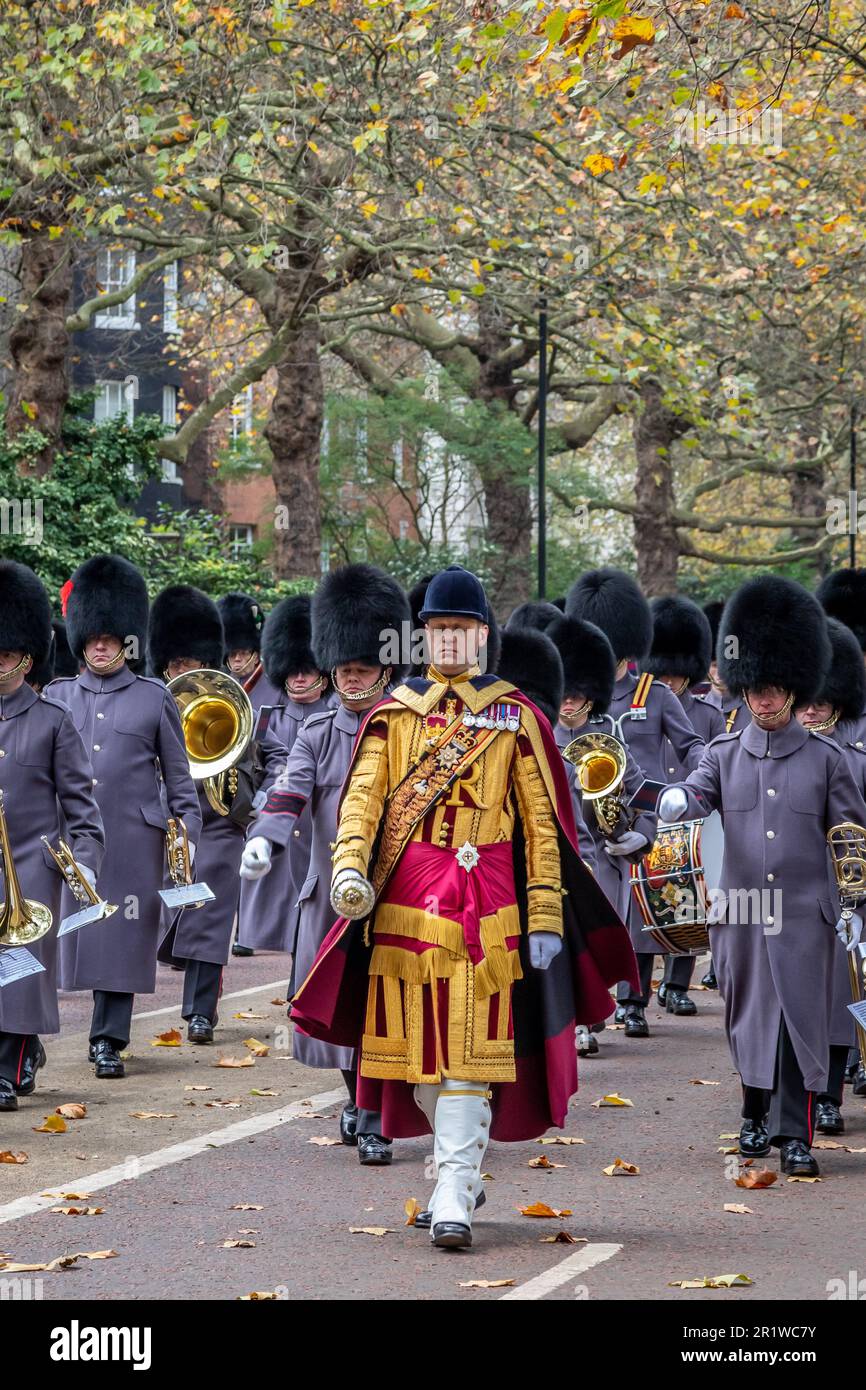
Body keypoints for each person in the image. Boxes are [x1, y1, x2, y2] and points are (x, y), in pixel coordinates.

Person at [291, 564, 637, 1248]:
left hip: (488, 911)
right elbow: (361, 801)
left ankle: (452, 1189)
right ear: (421, 638)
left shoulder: (516, 717)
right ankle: (460, 1169)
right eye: (438, 630)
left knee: (467, 1059)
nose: (449, 641)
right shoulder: (394, 716)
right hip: (404, 910)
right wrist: (350, 867)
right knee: (413, 1065)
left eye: (462, 629)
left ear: (482, 636)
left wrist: (543, 919)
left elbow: (543, 829)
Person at [659, 576, 866, 1177]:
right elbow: (695, 795)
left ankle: (795, 1134)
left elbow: (850, 836)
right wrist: (673, 801)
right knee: (750, 1019)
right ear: (746, 688)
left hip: (806, 911)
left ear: (793, 688)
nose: (767, 699)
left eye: (777, 689)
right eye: (758, 688)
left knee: (799, 1019)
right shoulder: (722, 754)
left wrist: (852, 902)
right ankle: (753, 1116)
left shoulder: (827, 759)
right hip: (743, 912)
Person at [242, 564, 409, 1164]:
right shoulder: (315, 733)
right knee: (339, 1006)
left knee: (385, 1004)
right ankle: (359, 1102)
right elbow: (290, 790)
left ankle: (373, 1114)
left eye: (361, 669)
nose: (350, 679)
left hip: (400, 890)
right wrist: (265, 836)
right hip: (331, 894)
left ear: (384, 669)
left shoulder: (411, 730)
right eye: (343, 669)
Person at [50, 556, 201, 1079]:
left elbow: (180, 779)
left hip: (135, 838)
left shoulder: (154, 697)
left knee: (118, 940)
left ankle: (108, 1039)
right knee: (53, 940)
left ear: (126, 640)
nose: (100, 645)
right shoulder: (57, 696)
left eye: (110, 637)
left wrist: (187, 838)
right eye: (92, 636)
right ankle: (25, 1039)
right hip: (70, 838)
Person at [566, 568, 704, 1037]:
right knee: (596, 914)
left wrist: (693, 788)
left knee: (644, 913)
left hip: (645, 817)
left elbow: (691, 747)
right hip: (585, 824)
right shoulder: (578, 696)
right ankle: (592, 1005)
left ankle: (634, 999)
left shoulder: (655, 694)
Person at [0, 561, 105, 1110]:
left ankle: (7, 1065)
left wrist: (83, 861)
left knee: (17, 970)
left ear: (24, 655)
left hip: (31, 865)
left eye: (5, 651)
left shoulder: (52, 720)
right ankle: (21, 1051)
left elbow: (80, 808)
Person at [545, 611, 657, 1055]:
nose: (569, 703)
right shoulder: (538, 735)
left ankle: (590, 1018)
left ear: (590, 697)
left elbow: (644, 792)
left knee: (591, 942)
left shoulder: (609, 739)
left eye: (576, 695)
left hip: (604, 860)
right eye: (564, 695)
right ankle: (572, 1022)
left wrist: (640, 835)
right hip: (555, 859)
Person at [150, 585, 255, 1043]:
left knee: (212, 917)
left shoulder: (227, 701)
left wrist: (242, 793)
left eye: (190, 662)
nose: (181, 670)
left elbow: (261, 757)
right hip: (172, 823)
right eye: (174, 663)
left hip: (218, 823)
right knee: (174, 912)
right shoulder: (153, 702)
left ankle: (200, 1013)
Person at [795, 616, 866, 1134]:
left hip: (849, 890)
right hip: (796, 891)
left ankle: (829, 1098)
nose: (814, 708)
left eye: (823, 700)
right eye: (807, 699)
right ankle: (798, 1092)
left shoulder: (856, 758)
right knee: (799, 997)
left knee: (844, 998)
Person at [234, 595, 333, 959]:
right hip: (275, 822)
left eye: (307, 670)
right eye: (293, 671)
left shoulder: (336, 715)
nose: (300, 677)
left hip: (317, 829)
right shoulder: (265, 714)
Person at [642, 596, 725, 1014]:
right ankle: (632, 993)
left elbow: (706, 756)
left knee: (689, 898)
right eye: (666, 674)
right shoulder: (645, 703)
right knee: (639, 901)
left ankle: (676, 984)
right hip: (651, 813)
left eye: (679, 675)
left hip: (690, 816)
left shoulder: (708, 713)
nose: (672, 681)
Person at [217, 592, 281, 710]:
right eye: (232, 654)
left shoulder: (276, 688)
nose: (237, 658)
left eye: (243, 652)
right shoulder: (217, 686)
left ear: (256, 656)